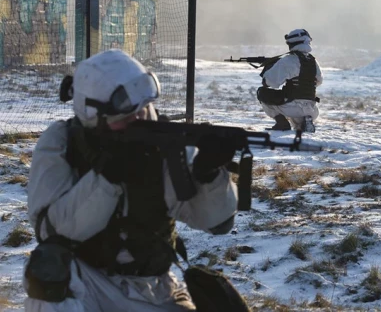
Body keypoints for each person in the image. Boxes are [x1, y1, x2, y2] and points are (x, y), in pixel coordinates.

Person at [24, 49, 239, 312]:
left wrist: (209, 175)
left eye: (143, 108)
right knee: (47, 268)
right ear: (93, 115)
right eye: (125, 116)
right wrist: (107, 180)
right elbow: (50, 233)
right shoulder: (62, 142)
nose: (139, 118)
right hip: (86, 281)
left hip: (154, 287)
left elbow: (216, 222)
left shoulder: (165, 142)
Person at [257, 29, 323, 132]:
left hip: (291, 106)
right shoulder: (313, 61)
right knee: (298, 123)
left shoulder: (288, 60)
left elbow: (269, 82)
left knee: (262, 93)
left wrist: (270, 68)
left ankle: (281, 123)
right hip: (312, 109)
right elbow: (318, 81)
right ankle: (305, 122)